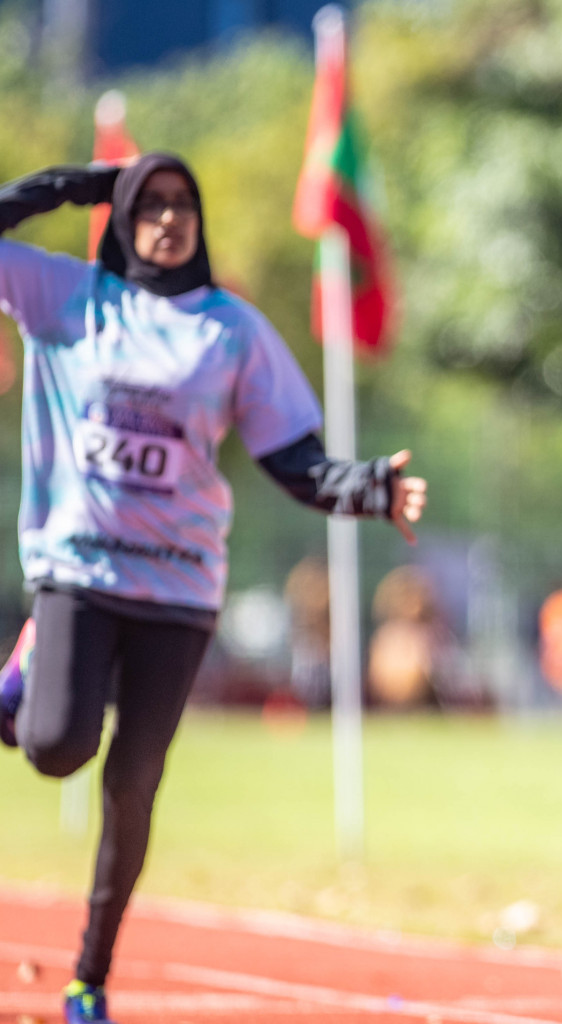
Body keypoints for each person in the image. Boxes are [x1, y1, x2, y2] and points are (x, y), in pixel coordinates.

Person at [0, 154, 427, 1024]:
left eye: (181, 204)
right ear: (122, 217)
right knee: (56, 747)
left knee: (135, 779)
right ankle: (25, 683)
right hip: (81, 569)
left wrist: (370, 488)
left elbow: (293, 456)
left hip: (182, 587)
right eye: (148, 204)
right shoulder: (67, 297)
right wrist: (84, 182)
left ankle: (89, 976)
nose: (167, 219)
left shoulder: (230, 331)